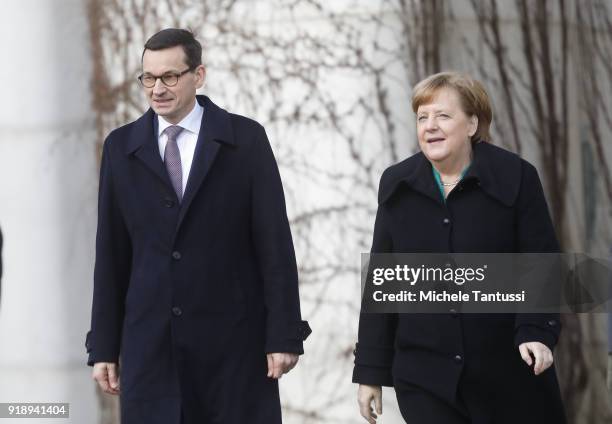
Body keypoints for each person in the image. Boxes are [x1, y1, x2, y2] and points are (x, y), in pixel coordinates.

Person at [86, 28, 311, 424]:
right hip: (151, 350)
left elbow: (274, 243)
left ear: (198, 75)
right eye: (149, 78)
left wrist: (283, 334)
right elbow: (111, 254)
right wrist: (104, 346)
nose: (157, 88)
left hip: (233, 348)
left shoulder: (245, 140)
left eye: (170, 76)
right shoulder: (121, 148)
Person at [353, 72, 566, 423]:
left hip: (507, 375)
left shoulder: (516, 177)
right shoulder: (397, 184)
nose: (430, 126)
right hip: (425, 378)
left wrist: (536, 332)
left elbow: (541, 262)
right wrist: (370, 372)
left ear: (472, 124)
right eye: (423, 117)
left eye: (443, 116)